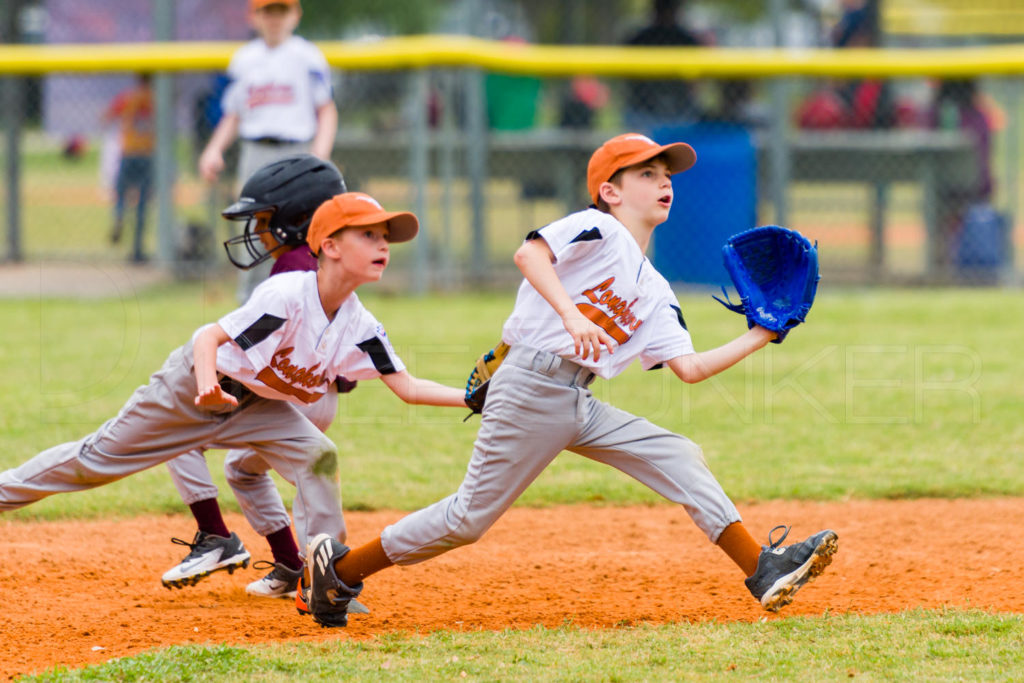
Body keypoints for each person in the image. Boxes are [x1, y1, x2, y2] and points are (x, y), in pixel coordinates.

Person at [298, 133, 840, 628]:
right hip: (530, 385)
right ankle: (340, 572)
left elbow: (689, 369)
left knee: (680, 454)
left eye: (667, 175)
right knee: (467, 520)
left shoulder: (654, 288)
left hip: (576, 398)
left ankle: (761, 568)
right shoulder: (599, 227)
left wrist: (762, 335)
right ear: (609, 190)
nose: (664, 182)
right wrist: (571, 315)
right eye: (646, 174)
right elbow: (529, 253)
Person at [0, 189, 470, 609]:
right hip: (190, 392)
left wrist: (472, 398)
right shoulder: (288, 296)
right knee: (92, 463)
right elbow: (209, 336)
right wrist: (207, 385)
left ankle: (324, 577)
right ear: (329, 246)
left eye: (385, 236)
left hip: (259, 408)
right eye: (369, 234)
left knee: (319, 457)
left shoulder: (360, 325)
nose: (384, 245)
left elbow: (407, 387)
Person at [159, 155, 357, 601]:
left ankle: (215, 536)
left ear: (297, 220)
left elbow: (254, 346)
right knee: (243, 470)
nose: (257, 231)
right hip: (317, 395)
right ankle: (290, 565)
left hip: (293, 396)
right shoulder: (327, 259)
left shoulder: (294, 271)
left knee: (175, 428)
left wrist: (215, 373)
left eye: (265, 220)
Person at [197, 0, 338, 304]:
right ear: (254, 16)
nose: (275, 18)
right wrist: (214, 149)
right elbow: (233, 114)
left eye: (281, 11)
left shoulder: (307, 55)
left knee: (306, 235)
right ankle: (250, 310)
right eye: (267, 11)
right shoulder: (245, 59)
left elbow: (326, 110)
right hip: (256, 151)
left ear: (295, 15)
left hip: (298, 152)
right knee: (255, 234)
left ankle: (311, 307)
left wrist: (319, 157)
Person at [622, 0, 707, 132]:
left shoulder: (686, 39)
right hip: (643, 109)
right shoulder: (640, 38)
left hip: (680, 108)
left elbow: (695, 83)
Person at [102, 73, 154, 263]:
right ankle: (137, 249)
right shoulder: (155, 98)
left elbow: (105, 117)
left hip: (128, 150)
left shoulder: (127, 97)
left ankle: (119, 216)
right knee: (142, 203)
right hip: (147, 154)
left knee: (120, 192)